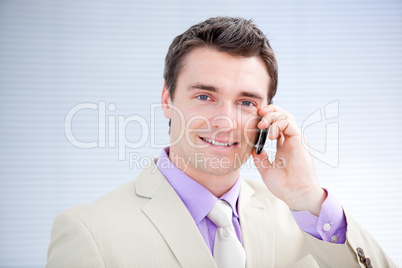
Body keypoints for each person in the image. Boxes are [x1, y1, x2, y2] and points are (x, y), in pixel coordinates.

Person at [46, 17, 396, 268]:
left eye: (246, 102)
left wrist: (308, 198)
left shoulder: (306, 219)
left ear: (267, 114)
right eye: (204, 96)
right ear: (167, 100)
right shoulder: (89, 231)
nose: (225, 121)